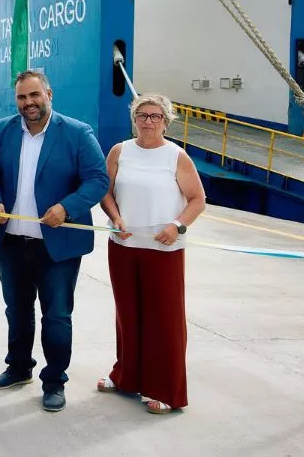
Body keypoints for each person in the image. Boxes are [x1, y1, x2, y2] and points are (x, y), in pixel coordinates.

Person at [0, 70, 109, 413]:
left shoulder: (76, 133)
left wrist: (66, 208)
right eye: (22, 98)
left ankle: (54, 380)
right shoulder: (2, 131)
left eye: (35, 95)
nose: (29, 103)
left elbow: (98, 179)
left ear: (49, 94)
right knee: (18, 310)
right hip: (12, 241)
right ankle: (19, 367)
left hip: (58, 245)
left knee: (56, 315)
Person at [97, 94, 205, 414]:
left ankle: (166, 390)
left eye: (155, 116)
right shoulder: (120, 151)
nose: (148, 121)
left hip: (163, 250)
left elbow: (197, 199)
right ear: (134, 119)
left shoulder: (176, 156)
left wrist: (176, 226)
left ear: (166, 122)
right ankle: (126, 376)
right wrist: (115, 218)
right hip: (123, 246)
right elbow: (105, 191)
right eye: (142, 115)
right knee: (127, 316)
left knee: (165, 320)